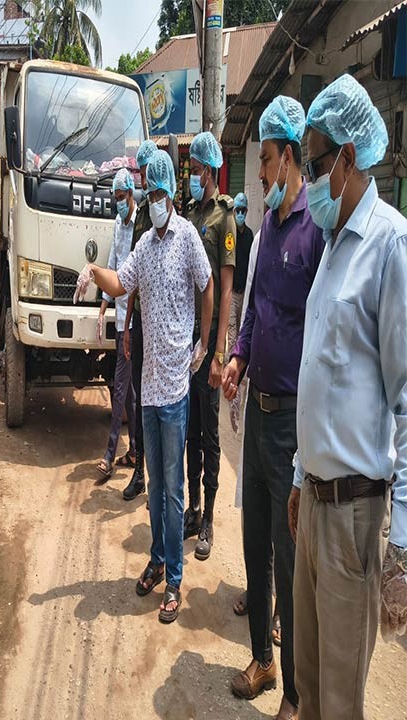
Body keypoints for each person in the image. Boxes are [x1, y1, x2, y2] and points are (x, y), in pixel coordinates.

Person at [288, 74, 407, 720]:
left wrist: (403, 548)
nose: (308, 178)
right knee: (309, 686)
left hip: (355, 518)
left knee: (340, 705)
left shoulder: (389, 245)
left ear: (350, 158)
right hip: (316, 509)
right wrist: (302, 476)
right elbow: (322, 373)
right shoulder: (334, 246)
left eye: (315, 162)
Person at [217, 94, 318, 720]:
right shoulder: (268, 232)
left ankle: (296, 694)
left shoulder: (315, 231)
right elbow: (253, 312)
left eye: (268, 164)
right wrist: (238, 359)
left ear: (290, 160)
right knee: (255, 540)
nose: (261, 176)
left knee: (289, 553)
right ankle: (261, 657)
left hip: (294, 423)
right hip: (260, 409)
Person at [82, 150, 213, 624]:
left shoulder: (188, 238)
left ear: (170, 193)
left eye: (159, 194)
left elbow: (208, 284)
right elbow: (122, 283)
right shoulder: (144, 245)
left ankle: (175, 577)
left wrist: (205, 343)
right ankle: (158, 559)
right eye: (149, 194)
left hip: (176, 384)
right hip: (150, 385)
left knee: (175, 489)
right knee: (155, 484)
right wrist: (94, 273)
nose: (154, 201)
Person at [183, 130, 237, 561]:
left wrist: (219, 354)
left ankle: (209, 520)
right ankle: (193, 506)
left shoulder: (224, 218)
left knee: (210, 435)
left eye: (198, 169)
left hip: (210, 346)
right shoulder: (189, 214)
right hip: (188, 343)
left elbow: (225, 292)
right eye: (191, 169)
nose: (193, 175)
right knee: (190, 434)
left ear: (212, 170)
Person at [96, 168, 140, 481]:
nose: (119, 204)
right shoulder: (117, 223)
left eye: (122, 198)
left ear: (132, 195)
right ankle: (135, 449)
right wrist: (103, 307)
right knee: (130, 391)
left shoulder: (142, 226)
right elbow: (112, 266)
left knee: (121, 385)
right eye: (116, 199)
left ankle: (110, 453)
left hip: (134, 320)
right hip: (119, 314)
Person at [120, 141, 157, 502]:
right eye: (140, 172)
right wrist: (130, 324)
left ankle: (158, 475)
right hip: (142, 323)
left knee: (159, 402)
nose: (142, 177)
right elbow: (130, 276)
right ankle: (139, 470)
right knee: (140, 396)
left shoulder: (171, 217)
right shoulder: (141, 216)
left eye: (145, 171)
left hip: (163, 327)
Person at [227, 192, 255, 357]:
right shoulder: (230, 234)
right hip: (230, 292)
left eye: (243, 211)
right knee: (231, 335)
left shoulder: (249, 235)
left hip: (243, 292)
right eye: (237, 210)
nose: (240, 214)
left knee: (240, 332)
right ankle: (226, 373)